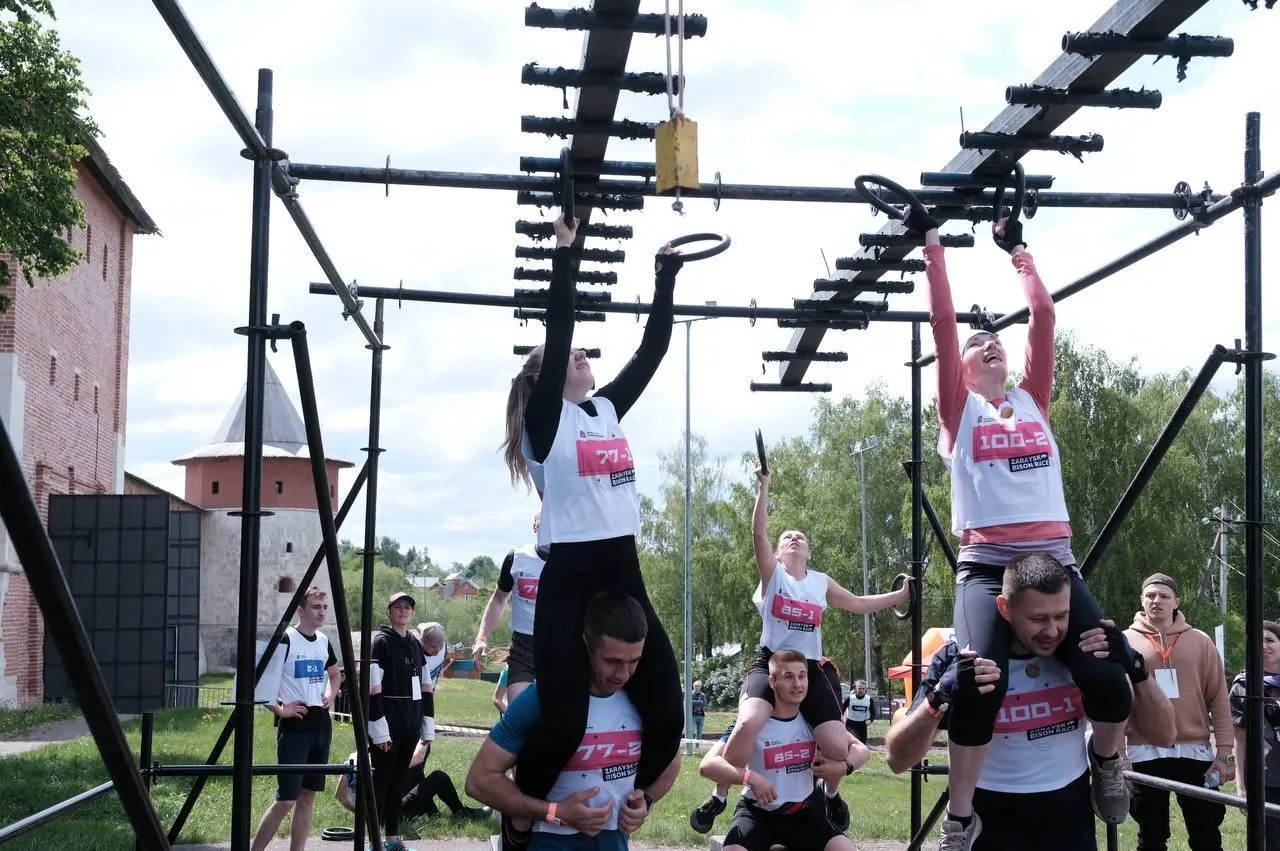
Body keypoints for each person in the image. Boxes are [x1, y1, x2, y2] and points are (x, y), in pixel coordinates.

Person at [912, 203, 1135, 848]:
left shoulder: (1034, 400)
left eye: (994, 338)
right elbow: (944, 325)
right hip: (989, 567)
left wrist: (1017, 249)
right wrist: (933, 245)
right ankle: (960, 818)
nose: (989, 340)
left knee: (1104, 671)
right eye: (978, 345)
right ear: (961, 373)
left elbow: (1043, 316)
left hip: (1056, 563)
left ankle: (1108, 764)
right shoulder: (962, 415)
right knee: (982, 684)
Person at [498, 215, 687, 849]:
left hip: (622, 569)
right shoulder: (545, 424)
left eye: (583, 353)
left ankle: (625, 804)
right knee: (564, 718)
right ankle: (521, 815)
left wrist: (664, 273)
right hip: (572, 575)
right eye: (569, 355)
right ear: (543, 379)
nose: (583, 354)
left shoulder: (603, 408)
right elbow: (557, 328)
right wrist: (565, 254)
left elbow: (652, 352)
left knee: (667, 709)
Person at [884, 552, 1174, 851]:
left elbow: (1164, 735)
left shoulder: (1082, 655)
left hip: (1068, 818)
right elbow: (897, 758)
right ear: (1005, 609)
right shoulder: (965, 659)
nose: (1051, 630)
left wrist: (1135, 666)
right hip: (992, 821)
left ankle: (1104, 760)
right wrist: (939, 696)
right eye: (1038, 618)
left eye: (1061, 616)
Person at [717, 466, 909, 834]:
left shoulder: (820, 583)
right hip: (771, 663)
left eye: (799, 536)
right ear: (778, 551)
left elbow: (858, 603)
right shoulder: (774, 577)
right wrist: (764, 487)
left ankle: (831, 795)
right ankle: (722, 794)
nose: (792, 538)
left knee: (837, 747)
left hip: (809, 667)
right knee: (748, 723)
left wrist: (900, 596)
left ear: (808, 551)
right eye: (786, 536)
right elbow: (757, 531)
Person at [465, 591, 681, 851]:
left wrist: (647, 799)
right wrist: (554, 812)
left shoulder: (644, 698)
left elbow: (672, 757)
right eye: (612, 661)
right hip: (548, 843)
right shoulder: (542, 699)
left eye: (634, 661)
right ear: (587, 645)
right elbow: (479, 780)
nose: (623, 674)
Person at [698, 649, 868, 851]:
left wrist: (843, 767)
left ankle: (832, 797)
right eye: (788, 677)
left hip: (804, 812)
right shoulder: (752, 723)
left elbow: (862, 750)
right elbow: (707, 765)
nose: (797, 684)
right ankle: (719, 799)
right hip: (758, 814)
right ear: (772, 681)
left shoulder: (814, 722)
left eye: (802, 676)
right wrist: (751, 778)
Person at [1124, 573, 1234, 851]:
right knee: (1150, 836)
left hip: (1195, 751)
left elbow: (1219, 699)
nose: (1156, 601)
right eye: (1150, 595)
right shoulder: (1125, 642)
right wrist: (1120, 756)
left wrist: (1224, 753)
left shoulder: (1200, 641)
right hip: (1143, 750)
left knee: (1207, 833)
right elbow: (1117, 704)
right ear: (1141, 600)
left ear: (1177, 602)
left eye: (1163, 595)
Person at [250, 586, 341, 851]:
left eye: (324, 607)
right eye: (315, 607)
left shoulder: (324, 641)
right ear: (300, 610)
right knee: (286, 799)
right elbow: (256, 681)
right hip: (295, 726)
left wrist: (330, 694)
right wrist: (279, 710)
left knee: (307, 797)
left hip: (321, 725)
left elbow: (335, 674)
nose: (321, 612)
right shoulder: (286, 639)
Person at [368, 592, 433, 851]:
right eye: (398, 607)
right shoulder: (381, 643)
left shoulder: (415, 645)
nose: (403, 611)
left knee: (397, 783)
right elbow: (372, 688)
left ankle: (393, 838)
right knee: (381, 782)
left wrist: (427, 725)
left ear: (412, 614)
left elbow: (426, 687)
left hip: (410, 726)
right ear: (390, 612)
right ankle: (373, 839)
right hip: (389, 728)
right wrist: (379, 730)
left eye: (408, 607)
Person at [474, 512, 546, 708]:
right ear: (535, 525)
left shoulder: (574, 560)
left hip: (561, 646)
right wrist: (481, 637)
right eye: (544, 520)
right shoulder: (517, 557)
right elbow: (498, 599)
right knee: (520, 713)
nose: (550, 525)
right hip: (524, 647)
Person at [337, 741, 490, 823]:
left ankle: (434, 814)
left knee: (414, 772)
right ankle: (461, 813)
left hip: (379, 814)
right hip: (394, 815)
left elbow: (340, 796)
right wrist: (425, 738)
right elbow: (417, 759)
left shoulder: (352, 759)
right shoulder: (380, 761)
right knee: (438, 777)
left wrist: (364, 815)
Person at [1229, 619, 1280, 850]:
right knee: (1268, 843)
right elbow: (1239, 741)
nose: (1264, 646)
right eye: (1258, 641)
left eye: (1270, 640)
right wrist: (1241, 786)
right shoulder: (1244, 685)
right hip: (1266, 780)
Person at [415, 621, 449, 750]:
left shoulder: (443, 647)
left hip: (428, 695)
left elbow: (430, 626)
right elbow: (420, 626)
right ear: (423, 642)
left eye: (440, 646)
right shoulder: (414, 650)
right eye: (433, 647)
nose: (438, 650)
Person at [845, 680, 872, 745]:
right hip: (851, 724)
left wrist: (870, 719)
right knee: (854, 742)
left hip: (862, 725)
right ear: (855, 689)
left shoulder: (869, 699)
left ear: (865, 690)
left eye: (863, 689)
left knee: (862, 744)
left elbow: (873, 712)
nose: (861, 691)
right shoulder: (850, 698)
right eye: (859, 688)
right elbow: (842, 708)